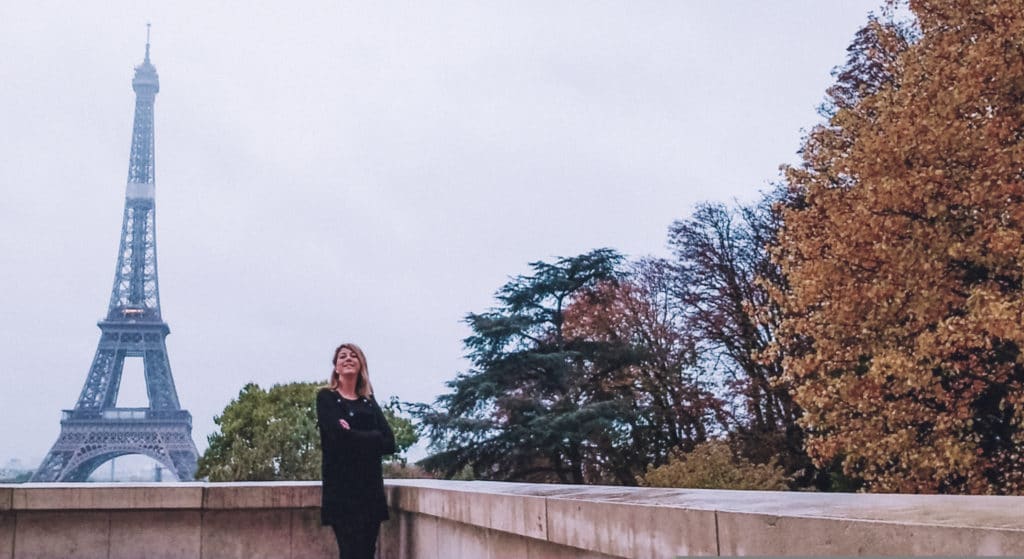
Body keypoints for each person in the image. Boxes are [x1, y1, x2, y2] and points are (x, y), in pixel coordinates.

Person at [316, 343, 396, 559]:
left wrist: (352, 434)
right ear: (336, 367)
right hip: (342, 492)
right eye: (342, 356)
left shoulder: (369, 402)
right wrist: (372, 437)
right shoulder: (326, 398)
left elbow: (389, 442)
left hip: (370, 492)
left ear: (361, 365)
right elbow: (336, 439)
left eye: (353, 355)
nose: (348, 358)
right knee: (350, 553)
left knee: (367, 553)